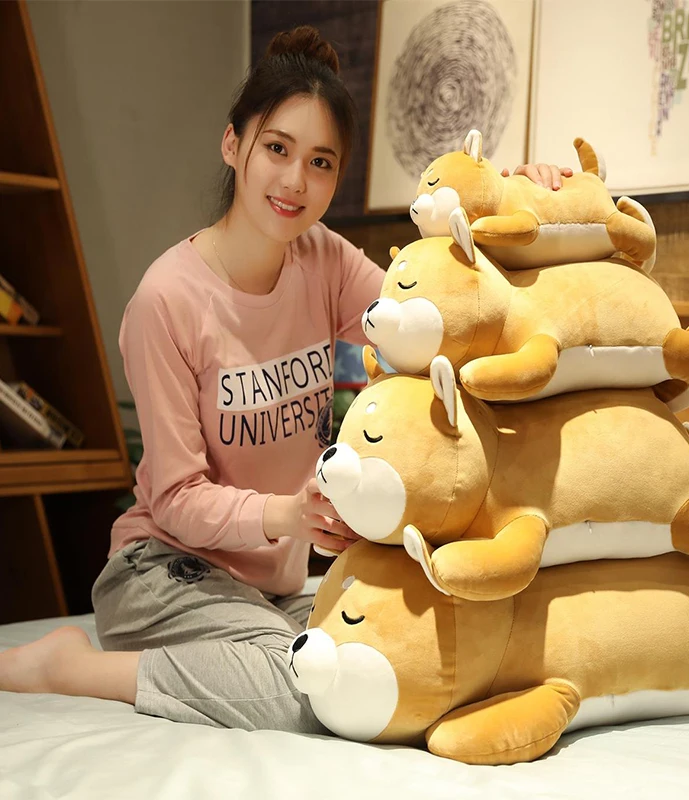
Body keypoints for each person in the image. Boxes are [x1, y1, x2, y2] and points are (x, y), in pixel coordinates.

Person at [0, 26, 572, 732]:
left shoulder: (321, 259)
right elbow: (175, 499)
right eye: (277, 148)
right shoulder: (165, 302)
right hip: (162, 570)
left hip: (271, 587)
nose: (296, 180)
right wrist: (288, 515)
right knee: (307, 686)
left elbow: (440, 317)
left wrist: (517, 199)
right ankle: (64, 668)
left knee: (396, 656)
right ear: (232, 144)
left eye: (320, 161)